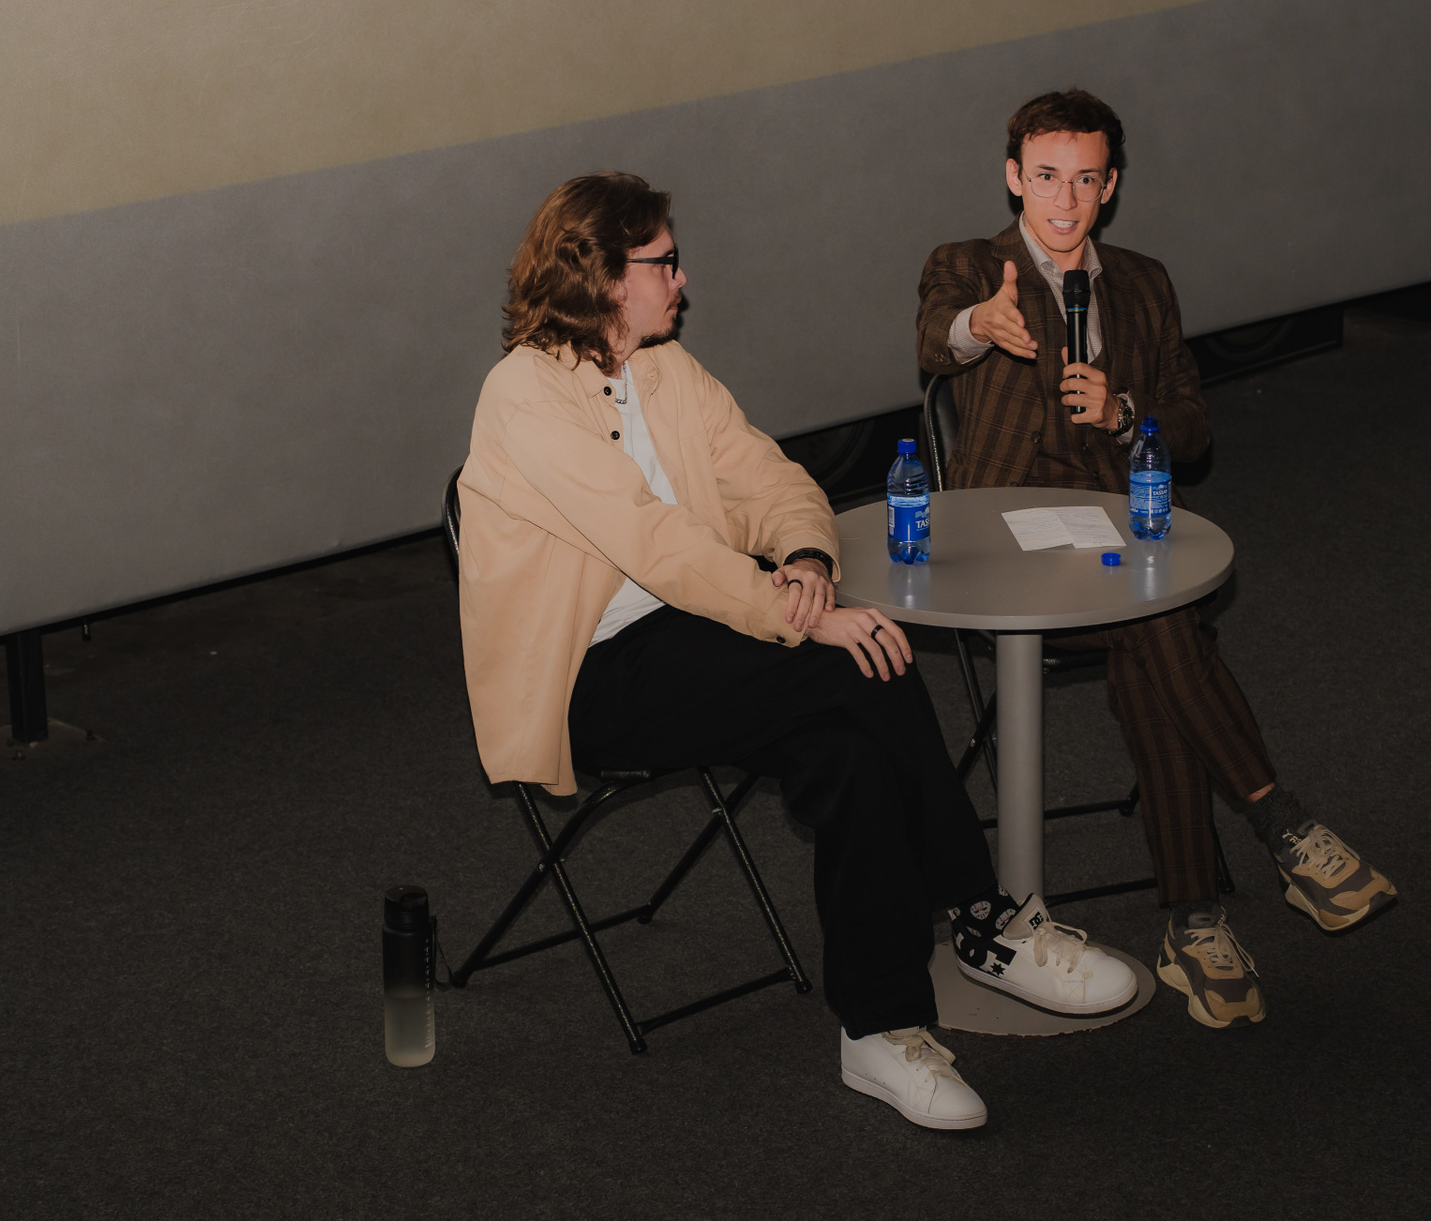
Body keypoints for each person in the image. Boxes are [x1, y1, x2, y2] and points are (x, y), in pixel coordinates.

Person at [456, 172, 1135, 1128]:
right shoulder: (523, 395)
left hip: (697, 633)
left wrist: (808, 556)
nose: (682, 280)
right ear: (605, 276)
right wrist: (803, 616)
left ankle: (880, 1029)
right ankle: (988, 920)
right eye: (663, 262)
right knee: (852, 662)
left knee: (848, 748)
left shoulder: (666, 371)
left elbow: (771, 478)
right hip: (588, 674)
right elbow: (655, 540)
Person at [916, 91, 1396, 1030]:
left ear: (1111, 187)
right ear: (1013, 178)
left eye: (1085, 180)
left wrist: (1126, 412)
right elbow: (939, 335)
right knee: (1160, 620)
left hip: (1115, 531)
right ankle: (1275, 832)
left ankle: (1197, 922)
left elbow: (1194, 426)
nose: (1065, 201)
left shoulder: (1143, 281)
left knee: (1152, 631)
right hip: (1003, 536)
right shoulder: (970, 265)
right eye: (1046, 177)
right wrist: (983, 326)